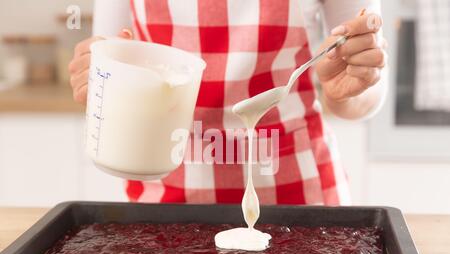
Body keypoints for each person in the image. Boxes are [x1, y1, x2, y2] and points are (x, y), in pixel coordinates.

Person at [69, 0, 387, 206]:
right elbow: (110, 69)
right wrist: (98, 80)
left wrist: (347, 88)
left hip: (298, 195)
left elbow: (368, 95)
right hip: (164, 197)